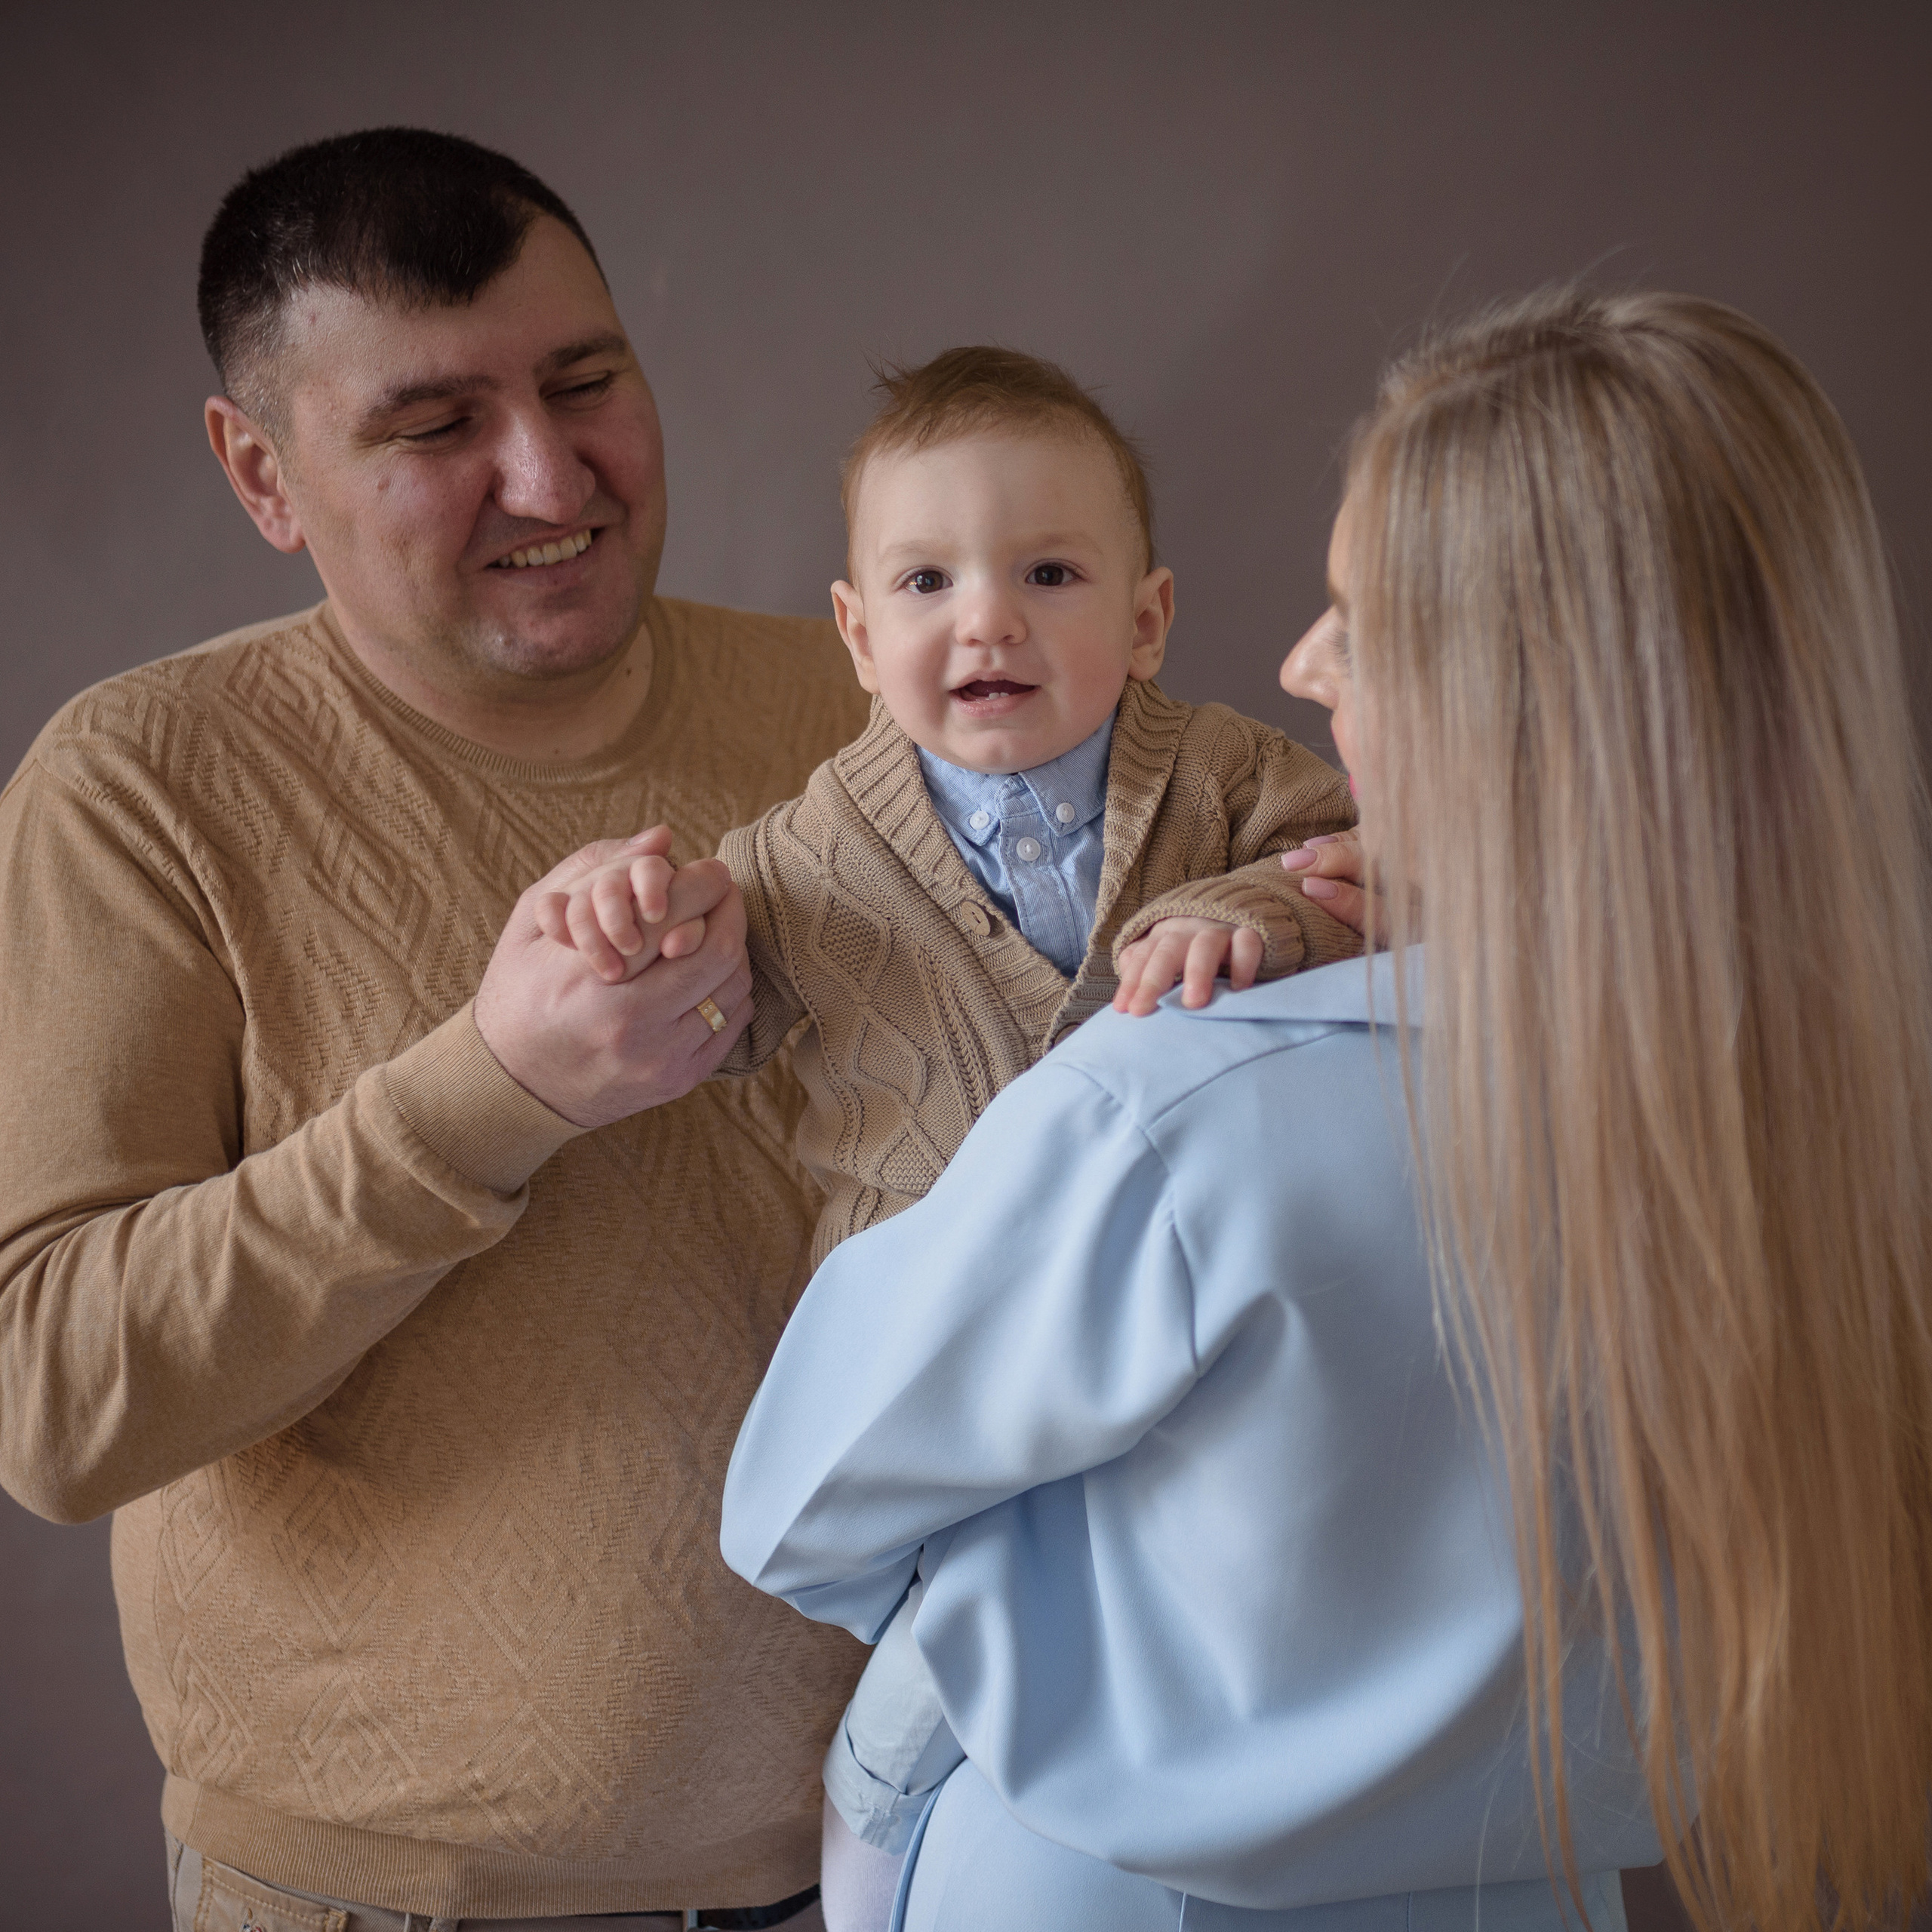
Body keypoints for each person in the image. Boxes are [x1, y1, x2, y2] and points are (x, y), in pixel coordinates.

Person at [718, 289, 1932, 1931]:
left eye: (1350, 622)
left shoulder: (1168, 1116)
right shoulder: (1844, 1135)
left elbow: (798, 1503)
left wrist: (1068, 1530)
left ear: (1503, 682)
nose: (1294, 664)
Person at [0, 127, 876, 1930]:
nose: (548, 473)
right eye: (432, 427)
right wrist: (499, 1092)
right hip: (381, 1906)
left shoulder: (866, 701)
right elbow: (54, 1396)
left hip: (905, 1859)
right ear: (262, 470)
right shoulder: (138, 787)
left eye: (584, 382)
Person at [546, 345, 1358, 1927]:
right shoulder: (799, 862)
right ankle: (886, 1846)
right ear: (858, 632)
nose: (983, 619)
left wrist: (1247, 911)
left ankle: (1210, 1833)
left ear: (1143, 617)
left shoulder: (1222, 773)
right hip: (945, 1361)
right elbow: (687, 996)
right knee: (958, 1663)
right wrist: (629, 919)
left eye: (1047, 572)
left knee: (1194, 1614)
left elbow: (1356, 864)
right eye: (925, 580)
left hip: (1181, 1336)